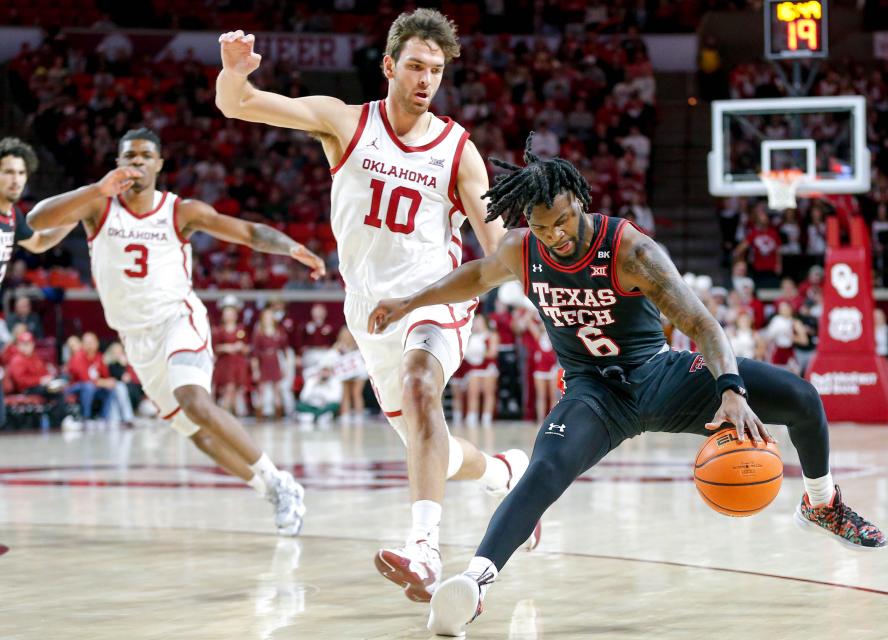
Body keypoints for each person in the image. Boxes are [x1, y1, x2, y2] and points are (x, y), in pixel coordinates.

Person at [368, 136, 887, 636]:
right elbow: (474, 276)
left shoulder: (631, 249)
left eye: (565, 221)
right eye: (545, 227)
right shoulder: (520, 250)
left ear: (581, 203)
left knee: (802, 399)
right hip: (594, 395)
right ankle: (474, 584)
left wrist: (731, 389)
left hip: (660, 377)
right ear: (530, 221)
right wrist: (410, 302)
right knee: (545, 469)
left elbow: (703, 324)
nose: (557, 236)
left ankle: (821, 502)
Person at [216, 9, 538, 598]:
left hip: (434, 299)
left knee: (421, 386)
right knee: (428, 447)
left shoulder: (457, 150)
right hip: (368, 311)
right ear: (389, 66)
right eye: (415, 66)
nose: (425, 80)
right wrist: (234, 73)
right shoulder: (344, 123)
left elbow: (495, 254)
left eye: (435, 71)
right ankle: (505, 473)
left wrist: (536, 245)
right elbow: (239, 105)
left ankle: (424, 551)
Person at [26, 128, 324, 536]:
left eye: (146, 155)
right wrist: (96, 188)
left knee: (193, 399)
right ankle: (271, 487)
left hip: (177, 319)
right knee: (196, 434)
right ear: (118, 163)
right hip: (135, 336)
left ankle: (277, 477)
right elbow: (36, 221)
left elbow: (249, 233)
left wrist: (291, 247)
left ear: (159, 163)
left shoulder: (180, 211)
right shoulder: (98, 206)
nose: (138, 162)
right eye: (130, 155)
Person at [0, 137, 78, 427]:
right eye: (7, 171)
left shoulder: (12, 216)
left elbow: (40, 243)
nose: (15, 179)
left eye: (20, 173)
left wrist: (72, 220)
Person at [212, 296, 250, 417]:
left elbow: (247, 348)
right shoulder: (218, 330)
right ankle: (223, 415)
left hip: (238, 363)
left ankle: (232, 415)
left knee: (235, 390)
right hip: (225, 363)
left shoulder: (241, 329)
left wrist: (241, 347)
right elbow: (214, 348)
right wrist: (227, 347)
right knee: (229, 388)